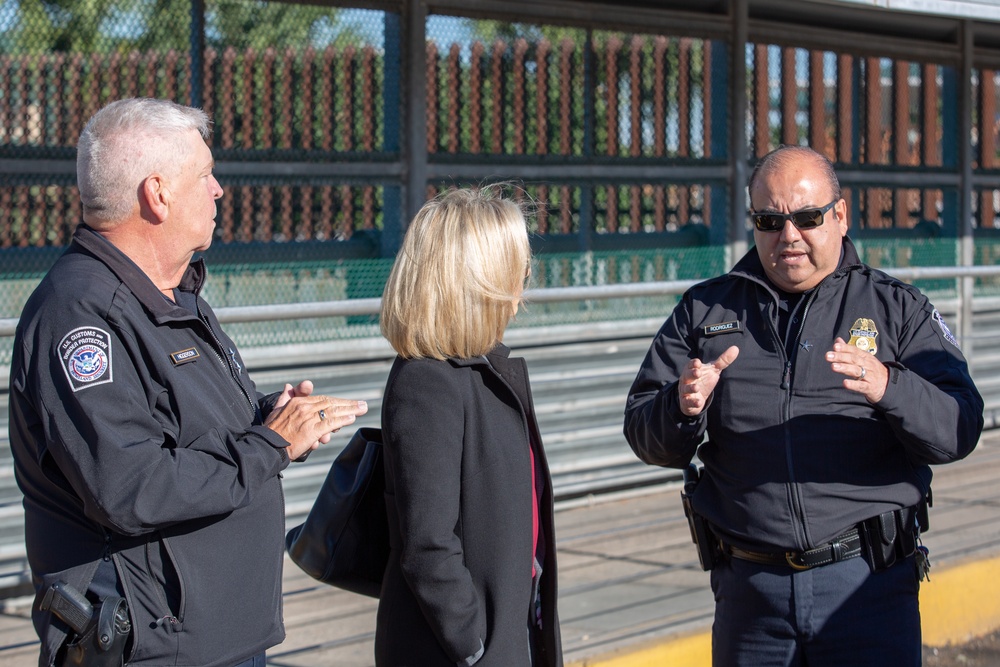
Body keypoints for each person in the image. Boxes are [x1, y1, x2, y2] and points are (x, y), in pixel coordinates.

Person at [8, 97, 369, 667]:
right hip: (153, 647)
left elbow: (188, 427)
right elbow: (133, 485)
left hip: (221, 637)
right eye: (204, 174)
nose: (219, 189)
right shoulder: (80, 315)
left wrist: (269, 414)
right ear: (158, 193)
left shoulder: (172, 294)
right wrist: (270, 444)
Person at [623, 145, 984, 666]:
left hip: (867, 590)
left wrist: (889, 386)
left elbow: (960, 427)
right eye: (769, 220)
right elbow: (642, 431)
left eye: (807, 217)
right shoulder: (706, 309)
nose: (788, 235)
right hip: (751, 597)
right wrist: (680, 407)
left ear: (840, 216)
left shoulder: (895, 307)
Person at [376, 186, 562, 667]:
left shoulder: (485, 371)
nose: (524, 282)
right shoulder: (428, 384)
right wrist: (474, 643)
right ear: (480, 278)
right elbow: (428, 545)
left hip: (505, 632)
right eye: (515, 266)